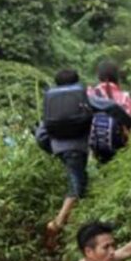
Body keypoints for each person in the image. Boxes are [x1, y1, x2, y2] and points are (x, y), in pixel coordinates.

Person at [35, 69, 92, 248]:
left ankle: (70, 227)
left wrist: (52, 148)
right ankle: (57, 223)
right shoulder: (81, 95)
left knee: (81, 181)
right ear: (76, 81)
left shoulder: (52, 100)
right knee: (76, 186)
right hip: (78, 147)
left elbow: (40, 135)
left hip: (59, 148)